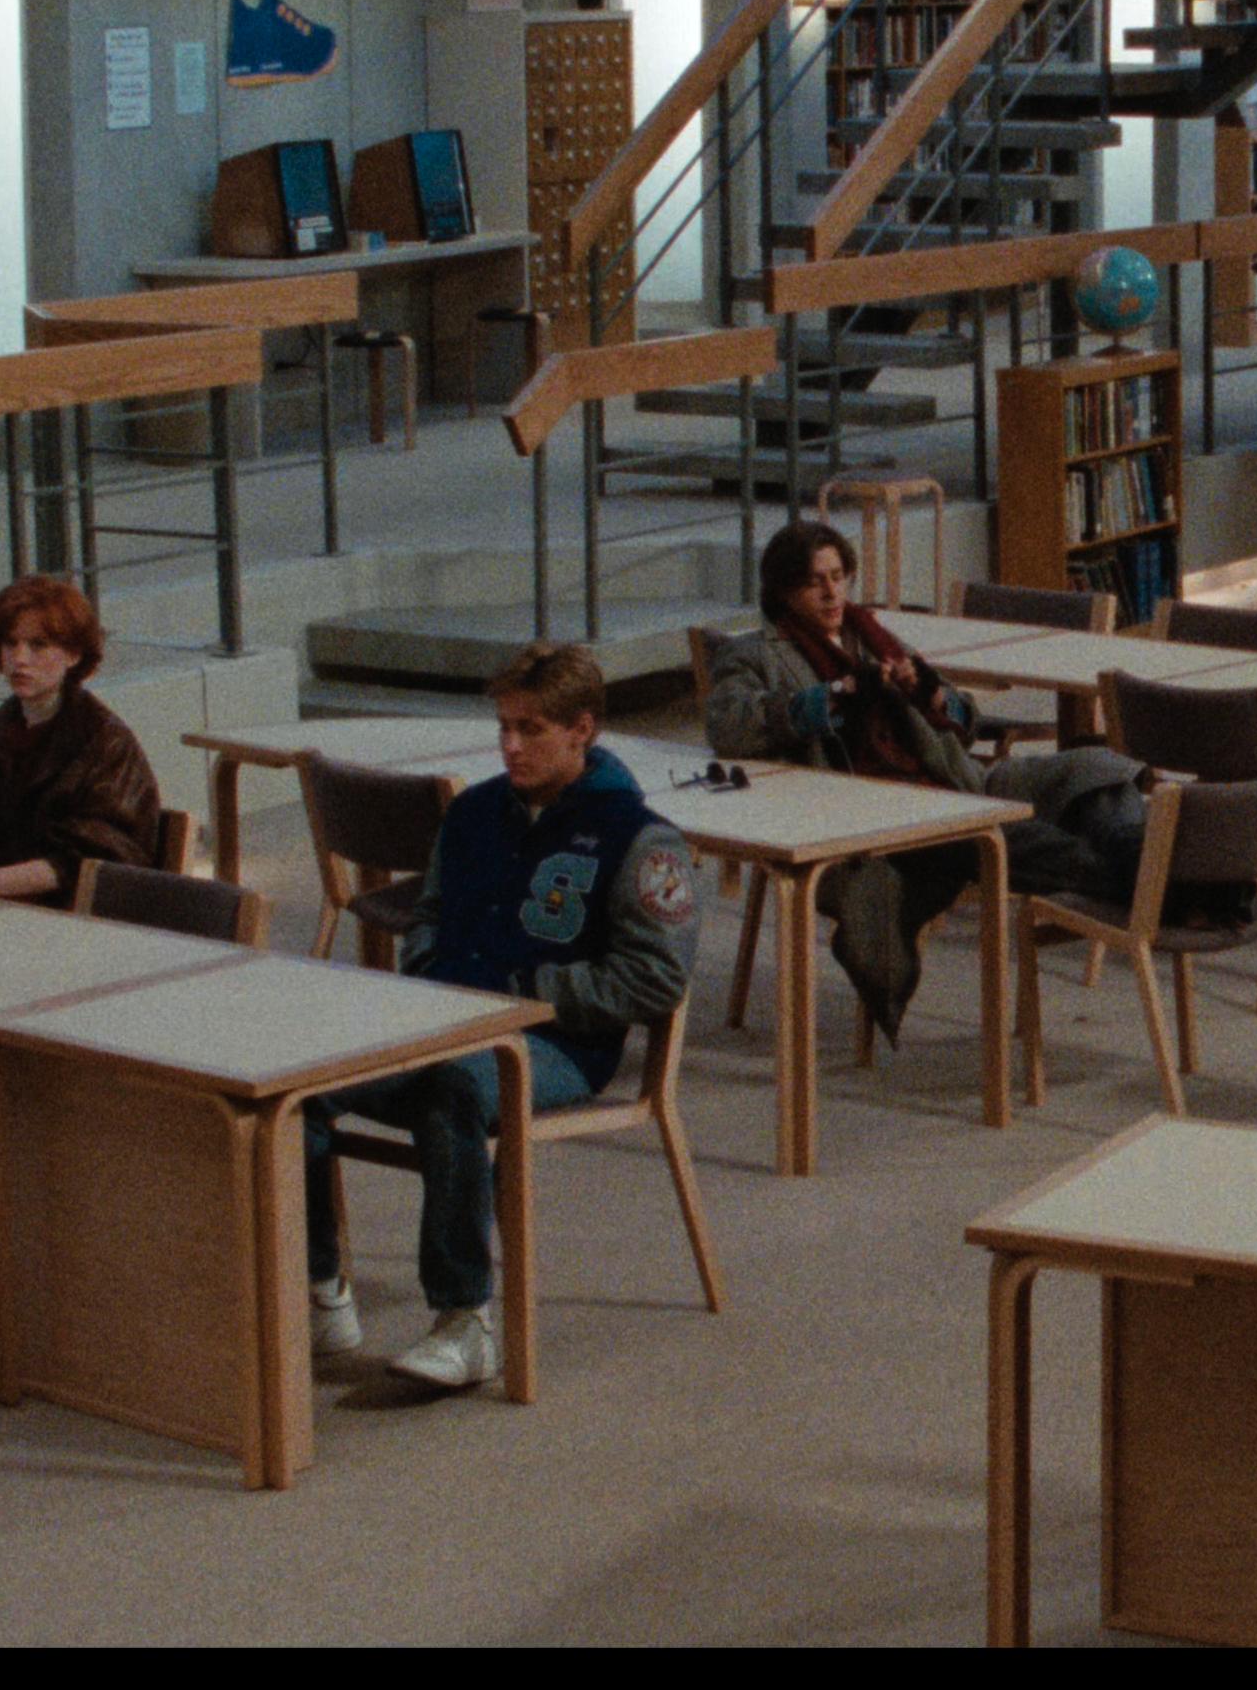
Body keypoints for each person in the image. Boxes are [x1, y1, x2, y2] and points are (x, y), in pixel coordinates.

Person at [304, 642, 697, 1389]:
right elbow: (428, 913)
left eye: (531, 729)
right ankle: (322, 1287)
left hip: (555, 1043)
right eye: (504, 727)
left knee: (452, 1088)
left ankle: (464, 1322)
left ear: (582, 729)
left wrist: (524, 990)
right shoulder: (474, 812)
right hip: (444, 1021)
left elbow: (655, 978)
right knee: (296, 1080)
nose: (511, 746)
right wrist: (427, 970)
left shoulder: (640, 839)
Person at [703, 520, 995, 1044]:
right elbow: (729, 726)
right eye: (814, 582)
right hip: (858, 811)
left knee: (1085, 776)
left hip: (943, 783)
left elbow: (966, 721)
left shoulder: (875, 638)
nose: (832, 592)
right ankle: (1126, 876)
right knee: (1016, 844)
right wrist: (834, 694)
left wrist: (931, 694)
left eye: (838, 577)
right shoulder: (755, 653)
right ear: (784, 592)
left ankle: (1130, 866)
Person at [0, 575, 168, 906]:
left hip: (73, 912)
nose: (20, 659)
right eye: (11, 644)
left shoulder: (103, 741)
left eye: (38, 645)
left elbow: (85, 863)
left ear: (73, 655)